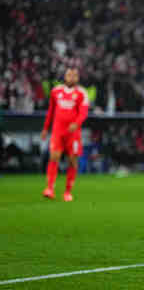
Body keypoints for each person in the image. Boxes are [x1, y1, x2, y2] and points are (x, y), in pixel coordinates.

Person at [41, 67, 89, 201]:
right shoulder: (56, 92)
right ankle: (49, 188)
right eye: (69, 75)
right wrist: (45, 128)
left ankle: (68, 191)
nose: (71, 77)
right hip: (57, 131)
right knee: (54, 157)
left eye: (74, 75)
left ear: (78, 78)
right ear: (65, 76)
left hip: (73, 134)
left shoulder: (82, 93)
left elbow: (83, 112)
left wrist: (77, 123)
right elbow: (50, 111)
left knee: (73, 161)